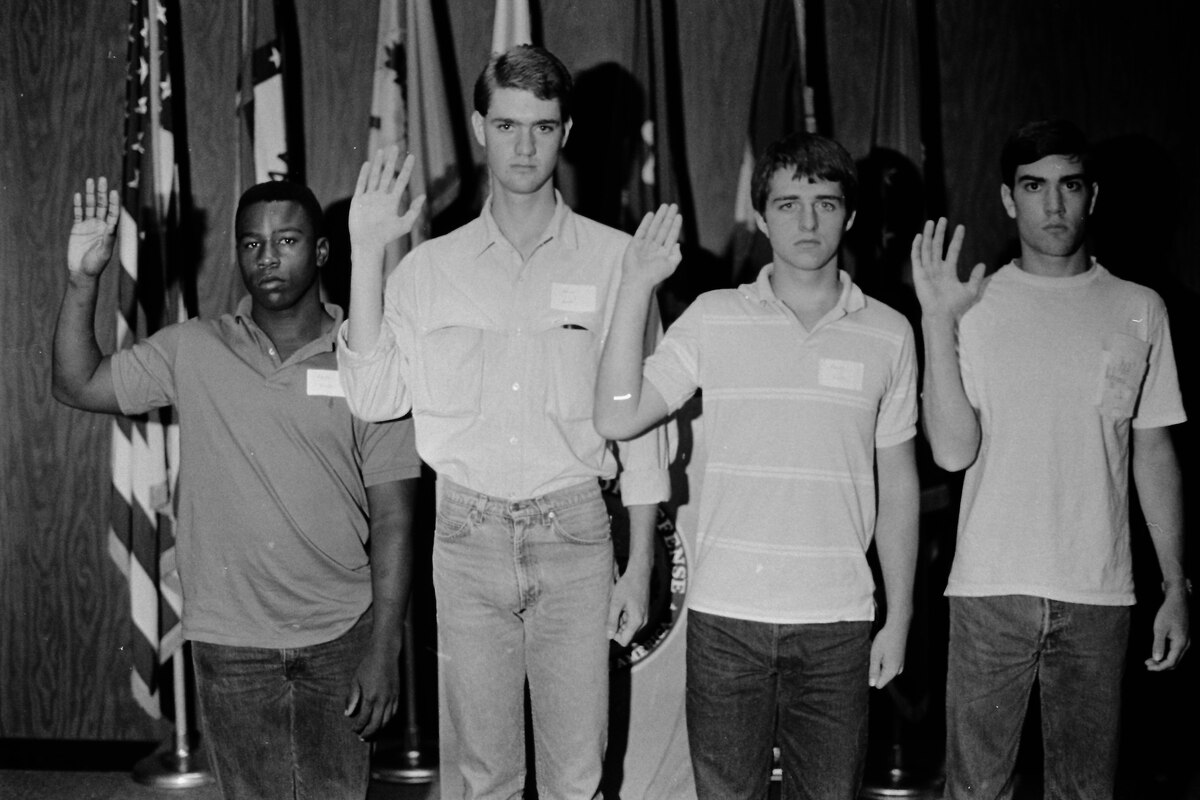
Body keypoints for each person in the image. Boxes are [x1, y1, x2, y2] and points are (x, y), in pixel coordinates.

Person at [336, 46, 670, 799]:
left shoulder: (621, 262)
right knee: (483, 776)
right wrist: (365, 252)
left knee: (575, 776)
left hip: (577, 535)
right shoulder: (427, 268)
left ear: (567, 131)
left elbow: (642, 429)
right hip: (466, 537)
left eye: (543, 127)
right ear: (481, 129)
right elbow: (375, 394)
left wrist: (640, 564)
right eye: (509, 125)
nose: (525, 146)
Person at [52, 178, 422, 800]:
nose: (268, 257)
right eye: (252, 243)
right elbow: (78, 383)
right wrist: (83, 279)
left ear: (323, 252)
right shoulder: (194, 346)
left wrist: (384, 645)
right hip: (231, 638)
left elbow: (394, 519)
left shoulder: (369, 360)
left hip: (341, 631)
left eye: (287, 240)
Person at [593, 131, 920, 800]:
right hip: (727, 622)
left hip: (838, 622)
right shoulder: (714, 318)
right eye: (788, 203)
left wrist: (901, 615)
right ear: (762, 215)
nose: (807, 221)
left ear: (849, 215)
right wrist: (633, 288)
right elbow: (618, 416)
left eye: (825, 203)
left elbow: (900, 487)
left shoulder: (889, 333)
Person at [913, 119, 1190, 799]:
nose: (1054, 204)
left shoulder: (1137, 309)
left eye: (1069, 185)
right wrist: (937, 323)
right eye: (1035, 187)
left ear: (1092, 196)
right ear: (1009, 199)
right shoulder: (974, 307)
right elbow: (952, 452)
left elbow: (1152, 447)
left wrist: (1177, 584)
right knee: (976, 790)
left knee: (1085, 792)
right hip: (990, 590)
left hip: (1099, 593)